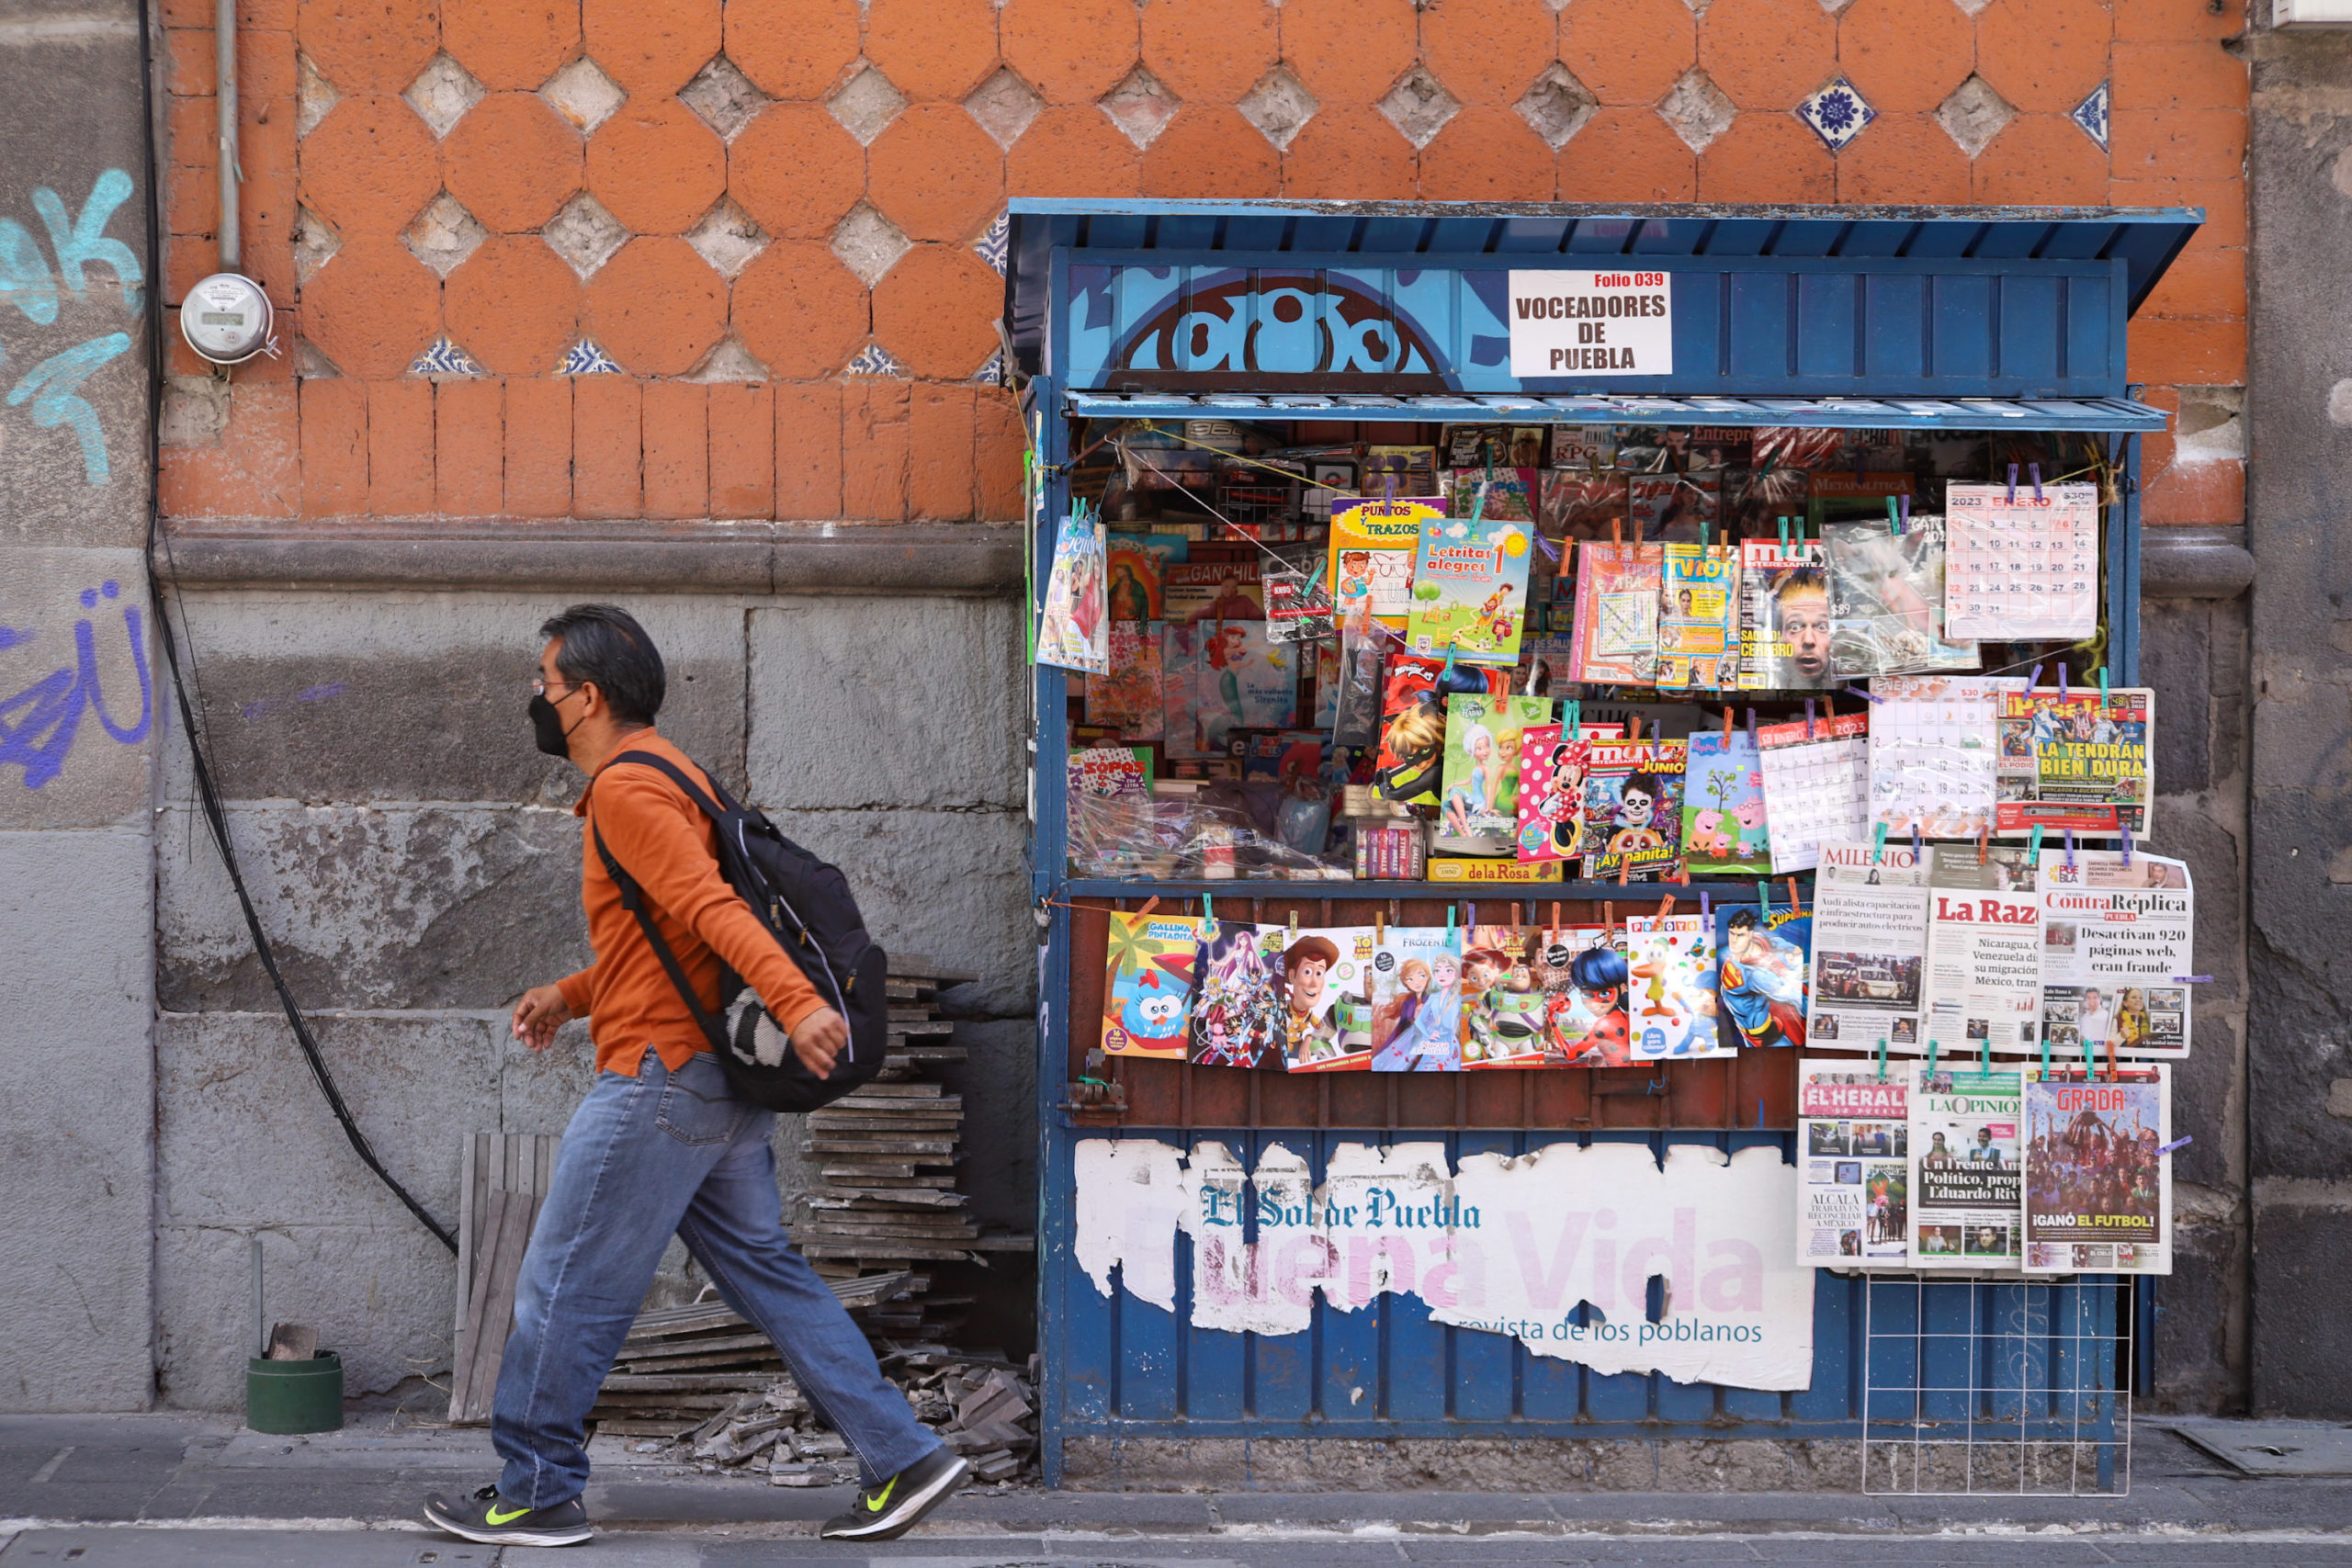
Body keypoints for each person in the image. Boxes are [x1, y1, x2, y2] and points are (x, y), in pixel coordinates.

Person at [424, 607, 964, 1550]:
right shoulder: (674, 771)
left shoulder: (628, 794)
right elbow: (665, 941)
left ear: (587, 698)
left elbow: (713, 912)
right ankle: (903, 1455)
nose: (539, 701)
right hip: (710, 1083)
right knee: (770, 1276)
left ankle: (537, 1487)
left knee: (560, 1284)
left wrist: (797, 1008)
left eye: (546, 686)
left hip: (660, 1083)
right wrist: (571, 993)